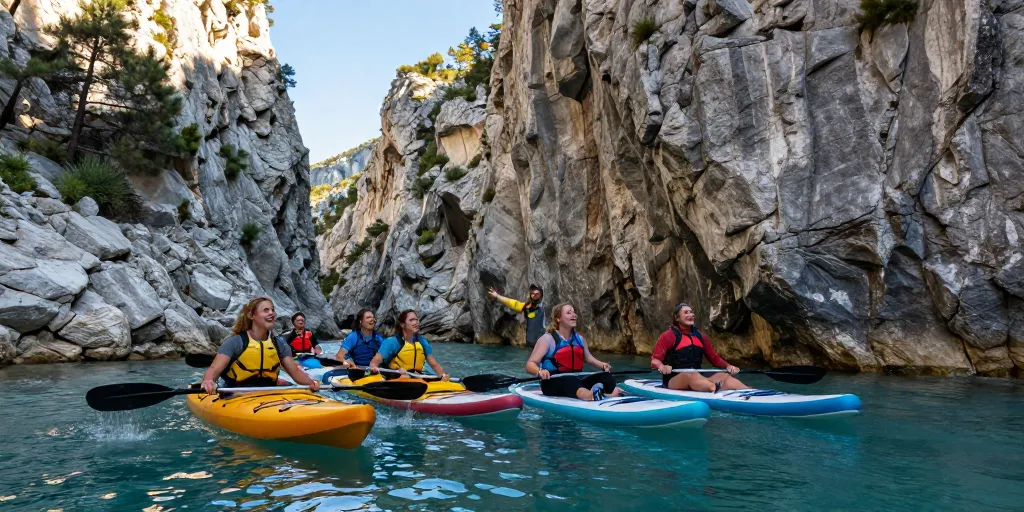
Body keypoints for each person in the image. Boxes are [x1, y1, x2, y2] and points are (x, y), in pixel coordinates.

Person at [201, 296, 321, 394]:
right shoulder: (235, 342)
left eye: (273, 310)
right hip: (236, 393)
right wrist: (208, 380)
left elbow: (295, 372)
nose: (272, 313)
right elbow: (214, 369)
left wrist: (311, 382)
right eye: (266, 310)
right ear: (252, 316)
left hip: (269, 391)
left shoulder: (279, 344)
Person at [525, 302, 622, 401]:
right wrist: (540, 371)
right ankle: (590, 396)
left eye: (574, 312)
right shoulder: (547, 339)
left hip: (578, 379)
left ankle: (607, 394)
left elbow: (588, 358)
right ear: (558, 319)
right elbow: (530, 364)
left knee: (606, 376)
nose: (574, 314)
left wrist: (602, 365)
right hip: (553, 382)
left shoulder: (580, 339)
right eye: (569, 312)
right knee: (569, 380)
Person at [650, 302, 747, 392]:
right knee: (691, 374)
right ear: (677, 318)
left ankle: (748, 391)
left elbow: (714, 358)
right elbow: (654, 360)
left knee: (724, 376)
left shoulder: (701, 336)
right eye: (686, 312)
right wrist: (662, 366)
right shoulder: (668, 336)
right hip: (673, 379)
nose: (691, 315)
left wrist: (728, 366)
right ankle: (713, 390)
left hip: (698, 376)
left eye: (691, 312)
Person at [368, 309, 450, 381]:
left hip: (416, 378)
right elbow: (374, 362)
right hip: (395, 377)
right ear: (402, 325)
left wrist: (442, 375)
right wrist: (374, 368)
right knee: (405, 377)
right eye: (411, 320)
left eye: (416, 319)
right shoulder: (392, 342)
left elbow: (433, 363)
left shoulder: (422, 341)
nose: (415, 323)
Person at [334, 308, 384, 380]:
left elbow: (385, 355)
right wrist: (346, 362)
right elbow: (339, 357)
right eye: (368, 317)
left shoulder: (378, 338)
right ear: (361, 322)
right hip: (356, 370)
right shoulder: (353, 337)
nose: (372, 320)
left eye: (373, 317)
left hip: (372, 371)